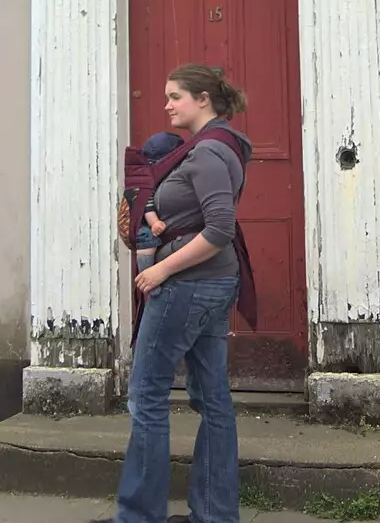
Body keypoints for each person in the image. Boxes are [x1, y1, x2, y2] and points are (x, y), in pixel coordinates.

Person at [101, 64, 252, 523]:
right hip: (215, 285)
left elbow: (221, 229)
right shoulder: (224, 146)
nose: (166, 105)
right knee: (212, 399)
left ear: (203, 98)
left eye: (175, 96)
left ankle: (139, 516)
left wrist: (159, 270)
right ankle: (216, 514)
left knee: (145, 396)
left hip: (188, 286)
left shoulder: (206, 153)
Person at [134, 130, 184, 272]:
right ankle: (146, 273)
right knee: (147, 242)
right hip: (142, 222)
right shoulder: (147, 179)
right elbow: (146, 204)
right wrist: (154, 222)